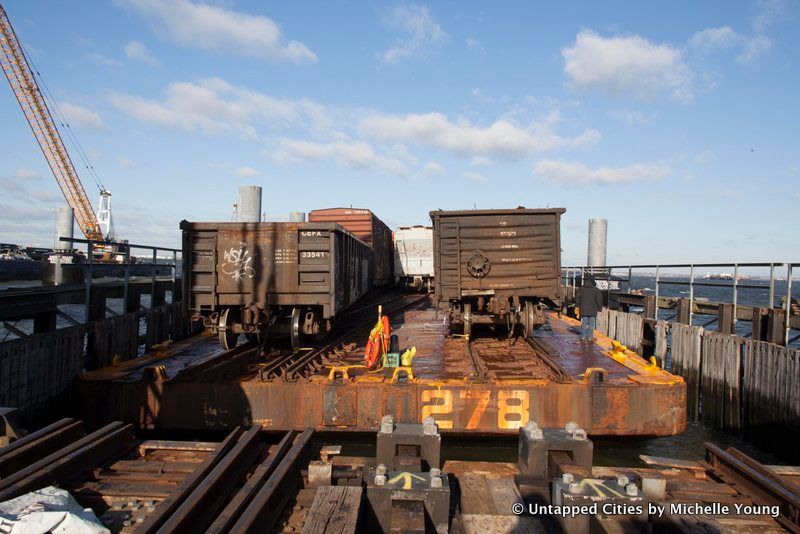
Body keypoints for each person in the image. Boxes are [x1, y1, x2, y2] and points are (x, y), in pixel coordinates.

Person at [576, 275, 603, 341]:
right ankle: (590, 337)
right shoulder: (596, 290)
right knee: (591, 324)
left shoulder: (581, 288)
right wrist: (600, 308)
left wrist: (577, 305)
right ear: (593, 281)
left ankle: (582, 337)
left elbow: (577, 298)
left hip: (583, 309)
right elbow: (599, 300)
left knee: (584, 323)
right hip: (592, 310)